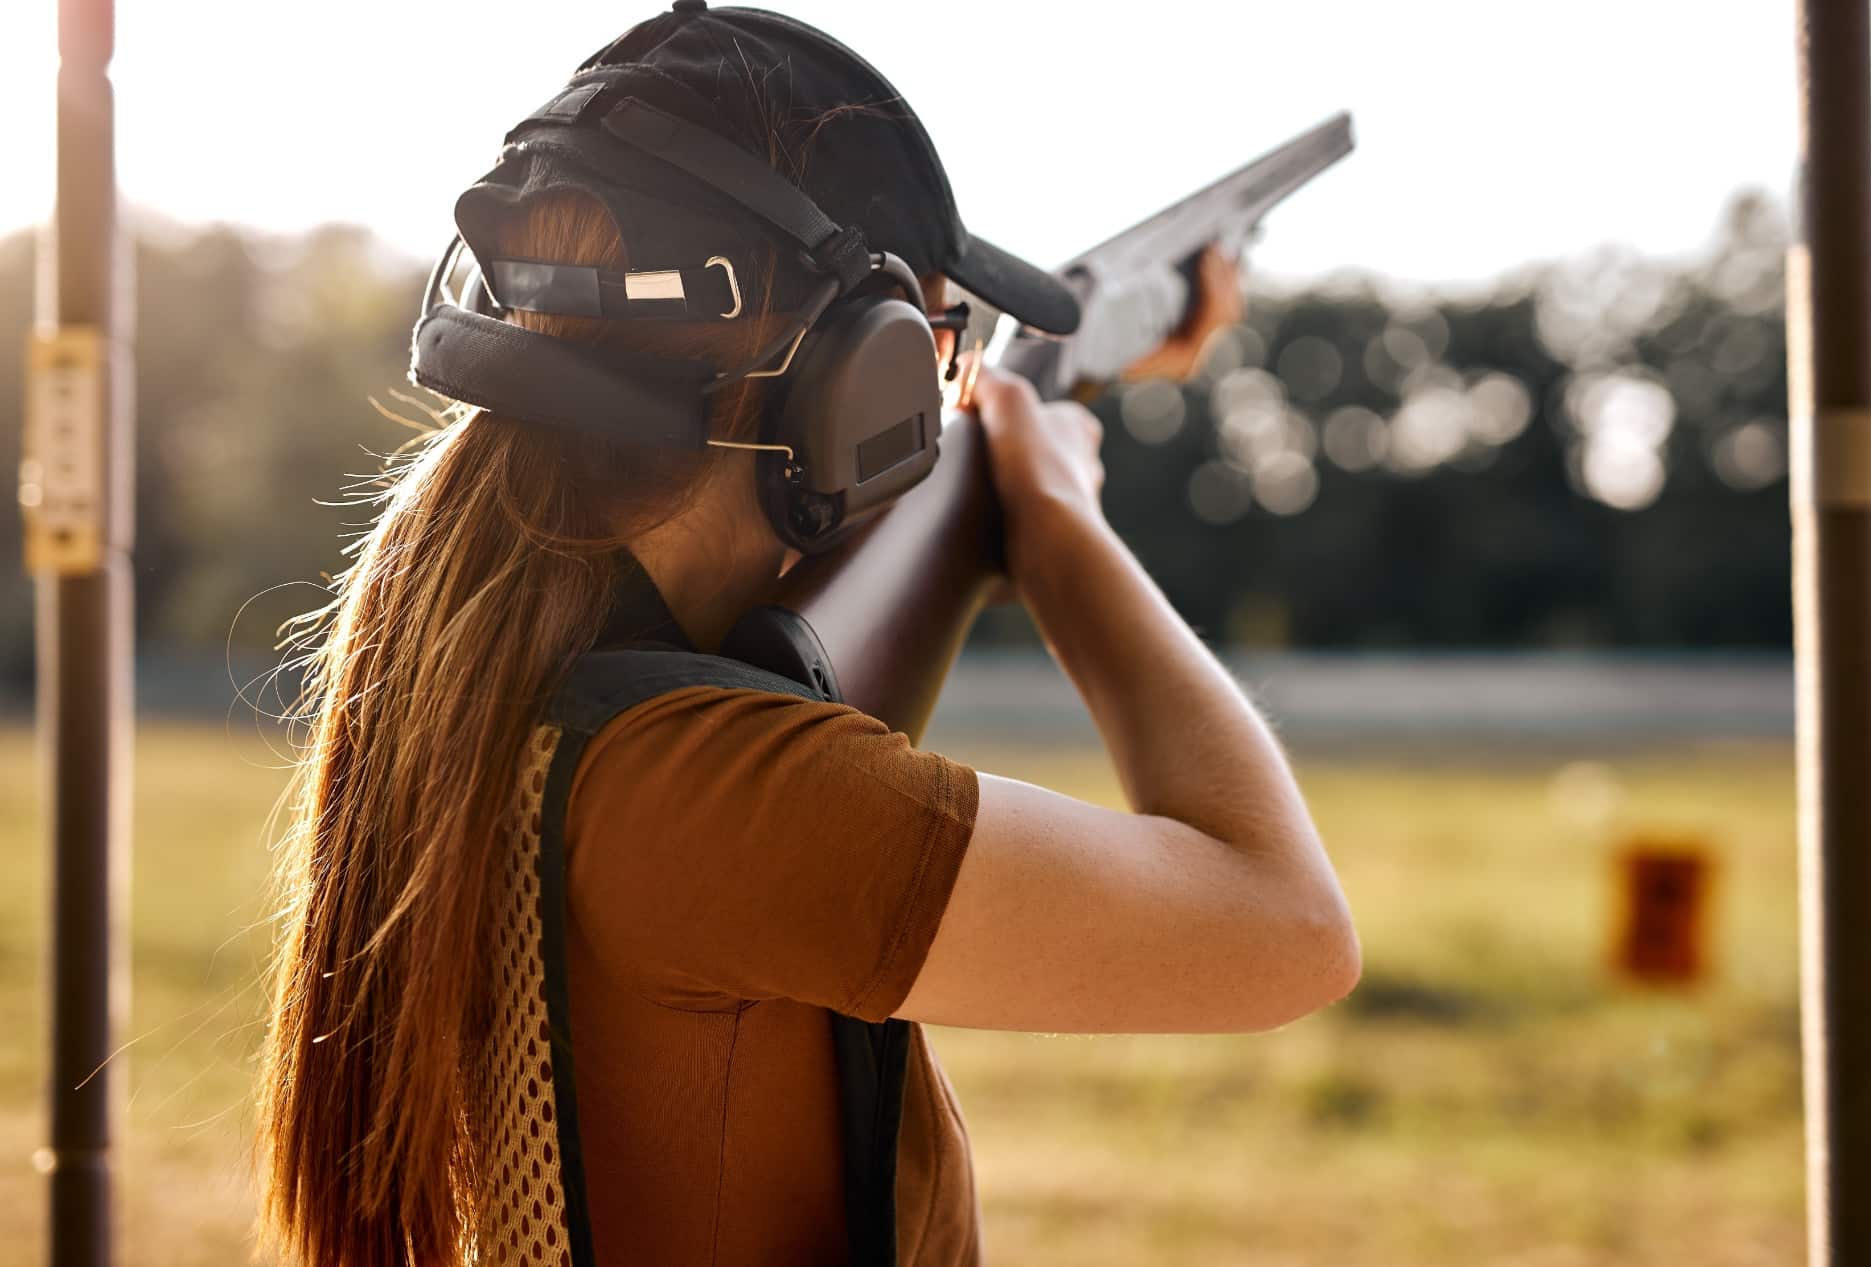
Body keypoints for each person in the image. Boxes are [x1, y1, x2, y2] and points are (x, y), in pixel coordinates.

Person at [255, 5, 1358, 1266]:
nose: (944, 406)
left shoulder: (479, 671)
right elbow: (1289, 931)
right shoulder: (708, 794)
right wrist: (1059, 526)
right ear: (859, 373)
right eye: (936, 353)